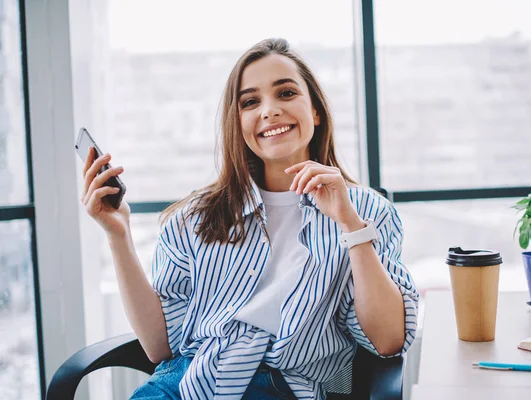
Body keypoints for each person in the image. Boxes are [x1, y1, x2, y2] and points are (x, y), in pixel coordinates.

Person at [81, 38, 419, 400]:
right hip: (184, 384)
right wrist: (118, 236)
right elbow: (160, 348)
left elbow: (388, 340)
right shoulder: (195, 217)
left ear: (316, 112)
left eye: (286, 93)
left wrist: (350, 226)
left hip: (286, 388)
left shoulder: (366, 213)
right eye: (250, 102)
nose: (269, 110)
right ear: (237, 122)